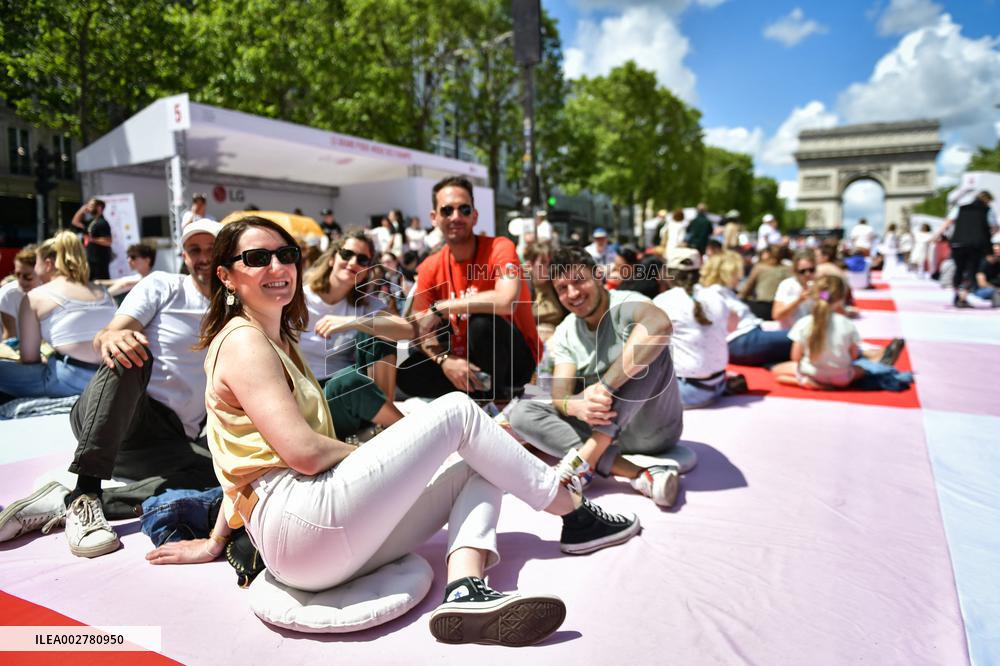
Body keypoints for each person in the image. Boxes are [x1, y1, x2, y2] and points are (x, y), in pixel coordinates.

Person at [153, 215, 640, 647]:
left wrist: (216, 541)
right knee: (458, 412)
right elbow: (300, 453)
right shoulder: (243, 341)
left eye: (286, 254)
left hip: (312, 542)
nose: (277, 266)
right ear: (227, 276)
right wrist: (383, 450)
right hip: (301, 523)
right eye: (257, 258)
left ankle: (467, 587)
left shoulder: (273, 339)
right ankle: (574, 512)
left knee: (487, 455)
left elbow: (236, 461)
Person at [0, 220, 223, 556]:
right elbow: (109, 333)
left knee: (224, 471)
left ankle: (69, 501)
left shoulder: (238, 309)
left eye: (212, 249)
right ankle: (87, 488)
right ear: (184, 256)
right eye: (195, 249)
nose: (203, 257)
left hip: (169, 440)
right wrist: (111, 336)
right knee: (130, 350)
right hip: (119, 409)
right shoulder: (164, 285)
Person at [508, 246, 684, 507]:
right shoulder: (568, 329)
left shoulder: (628, 302)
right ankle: (640, 474)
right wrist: (574, 406)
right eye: (563, 289)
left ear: (599, 275)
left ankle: (586, 459)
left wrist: (604, 387)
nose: (573, 293)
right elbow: (560, 392)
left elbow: (660, 326)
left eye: (579, 281)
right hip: (610, 432)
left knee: (650, 349)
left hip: (654, 430)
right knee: (522, 412)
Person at [397, 177, 541, 403]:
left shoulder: (500, 247)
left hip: (514, 362)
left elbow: (506, 300)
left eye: (464, 209)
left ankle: (494, 397)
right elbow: (421, 332)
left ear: (474, 216)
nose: (456, 217)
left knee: (482, 323)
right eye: (447, 210)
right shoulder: (429, 267)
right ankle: (474, 391)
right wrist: (445, 361)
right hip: (468, 361)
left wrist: (442, 307)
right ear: (434, 218)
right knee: (407, 372)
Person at [299, 231, 411, 439]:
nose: (353, 262)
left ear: (367, 269)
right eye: (346, 254)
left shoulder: (366, 305)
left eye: (362, 259)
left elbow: (408, 329)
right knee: (347, 382)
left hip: (361, 391)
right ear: (332, 258)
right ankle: (410, 431)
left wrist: (353, 322)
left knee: (379, 331)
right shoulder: (300, 299)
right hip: (316, 396)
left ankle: (382, 424)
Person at [0, 232, 115, 400]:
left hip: (68, 378)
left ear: (47, 264)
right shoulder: (103, 292)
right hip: (111, 377)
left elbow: (30, 359)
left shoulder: (35, 297)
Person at [652, 248, 729, 408]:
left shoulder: (664, 301)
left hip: (689, 390)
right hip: (719, 384)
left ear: (667, 273)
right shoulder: (717, 296)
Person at [771, 275, 865, 390]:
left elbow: (795, 357)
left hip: (811, 373)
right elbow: (853, 355)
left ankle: (806, 382)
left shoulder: (804, 322)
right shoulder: (847, 324)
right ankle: (827, 383)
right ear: (841, 297)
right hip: (841, 378)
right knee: (862, 370)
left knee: (776, 371)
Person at [700, 252, 791, 367]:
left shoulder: (724, 292)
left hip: (747, 337)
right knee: (802, 337)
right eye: (736, 273)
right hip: (741, 340)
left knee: (799, 334)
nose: (740, 276)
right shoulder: (713, 294)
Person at [934, 190, 996, 308]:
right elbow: (994, 227)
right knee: (971, 271)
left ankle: (958, 294)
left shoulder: (961, 208)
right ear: (987, 200)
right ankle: (962, 298)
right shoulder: (987, 210)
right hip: (976, 244)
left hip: (958, 243)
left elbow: (947, 222)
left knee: (959, 269)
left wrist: (937, 234)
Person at [522, 241, 568, 342]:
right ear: (529, 265)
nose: (549, 267)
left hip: (560, 338)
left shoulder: (559, 284)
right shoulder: (521, 287)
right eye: (543, 262)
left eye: (551, 263)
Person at [739, 245, 791, 320]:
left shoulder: (759, 267)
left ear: (768, 254)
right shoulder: (787, 269)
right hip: (780, 307)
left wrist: (740, 297)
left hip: (762, 306)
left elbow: (748, 287)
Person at [0, 245, 40, 340]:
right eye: (17, 275)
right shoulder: (9, 294)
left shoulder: (50, 291)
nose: (21, 281)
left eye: (27, 276)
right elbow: (10, 338)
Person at [772, 250, 817, 330]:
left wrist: (819, 296)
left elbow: (829, 302)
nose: (807, 274)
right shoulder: (786, 285)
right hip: (789, 332)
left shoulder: (820, 284)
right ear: (795, 271)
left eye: (811, 270)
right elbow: (777, 315)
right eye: (802, 271)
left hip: (812, 332)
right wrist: (799, 300)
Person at [71, 198, 113, 281]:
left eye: (91, 206)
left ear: (99, 208)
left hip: (100, 259)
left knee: (102, 282)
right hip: (91, 258)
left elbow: (108, 241)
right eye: (88, 205)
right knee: (91, 282)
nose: (89, 207)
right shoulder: (91, 222)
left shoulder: (102, 223)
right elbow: (75, 222)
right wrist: (82, 210)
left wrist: (92, 240)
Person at [973, 239, 1000, 307]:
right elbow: (982, 283)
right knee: (992, 291)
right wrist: (997, 289)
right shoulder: (984, 263)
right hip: (982, 290)